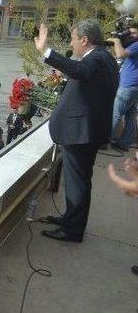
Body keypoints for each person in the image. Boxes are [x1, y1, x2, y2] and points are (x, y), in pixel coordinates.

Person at [34, 20, 119, 242]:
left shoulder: (98, 58)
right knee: (77, 181)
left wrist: (46, 51)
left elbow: (80, 71)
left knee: (78, 183)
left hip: (82, 134)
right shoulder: (104, 57)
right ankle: (71, 219)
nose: (72, 44)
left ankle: (73, 230)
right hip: (84, 132)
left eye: (73, 39)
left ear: (84, 39)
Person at [108, 24, 138, 151]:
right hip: (134, 86)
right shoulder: (133, 46)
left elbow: (119, 55)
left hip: (128, 86)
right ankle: (124, 143)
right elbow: (117, 55)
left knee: (116, 114)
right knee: (130, 116)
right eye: (129, 33)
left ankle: (103, 141)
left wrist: (116, 40)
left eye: (133, 33)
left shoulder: (136, 45)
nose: (130, 35)